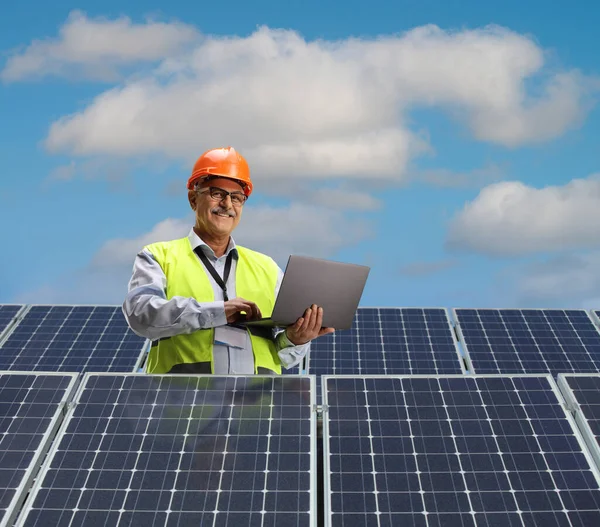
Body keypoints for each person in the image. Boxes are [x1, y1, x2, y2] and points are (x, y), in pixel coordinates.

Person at [122, 146, 334, 374]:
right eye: (217, 193)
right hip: (183, 404)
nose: (227, 204)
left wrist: (295, 340)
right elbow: (140, 315)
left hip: (256, 405)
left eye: (237, 198)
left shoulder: (267, 267)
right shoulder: (159, 256)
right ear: (193, 199)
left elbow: (283, 357)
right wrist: (217, 312)